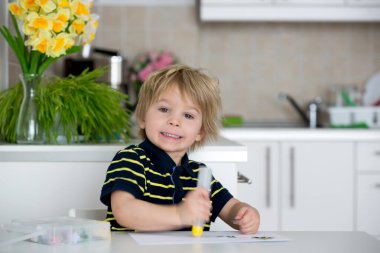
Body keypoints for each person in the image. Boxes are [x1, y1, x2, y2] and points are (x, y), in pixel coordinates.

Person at [100, 64, 260, 234]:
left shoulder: (200, 175)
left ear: (200, 131)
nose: (174, 121)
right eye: (164, 109)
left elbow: (231, 209)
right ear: (142, 118)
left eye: (188, 115)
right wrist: (179, 214)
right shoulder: (131, 160)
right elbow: (124, 212)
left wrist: (245, 214)